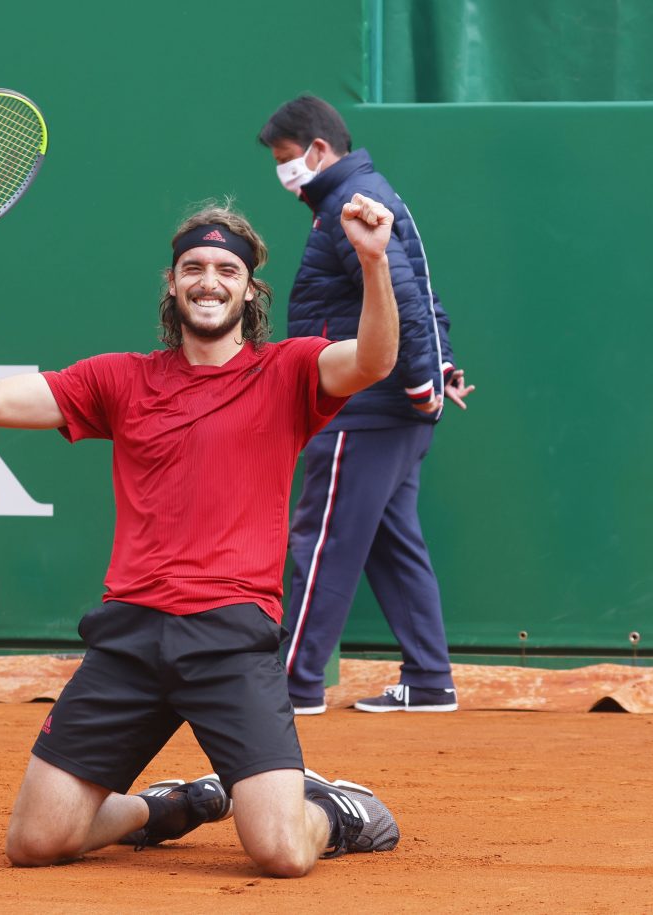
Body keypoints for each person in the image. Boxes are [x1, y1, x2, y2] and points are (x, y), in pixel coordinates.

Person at [0, 195, 401, 877]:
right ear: (172, 283)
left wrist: (373, 260)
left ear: (249, 290)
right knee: (35, 841)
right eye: (192, 267)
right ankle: (169, 807)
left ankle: (337, 809)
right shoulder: (119, 379)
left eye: (224, 269)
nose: (207, 280)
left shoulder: (290, 371)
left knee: (278, 851)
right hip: (129, 638)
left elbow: (374, 360)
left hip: (229, 638)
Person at [258, 95, 475, 715]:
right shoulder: (360, 194)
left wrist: (421, 383)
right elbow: (416, 294)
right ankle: (429, 679)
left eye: (284, 158)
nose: (283, 171)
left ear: (318, 150)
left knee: (321, 541)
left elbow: (405, 299)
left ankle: (291, 685)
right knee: (391, 541)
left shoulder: (352, 204)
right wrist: (436, 370)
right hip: (390, 408)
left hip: (363, 409)